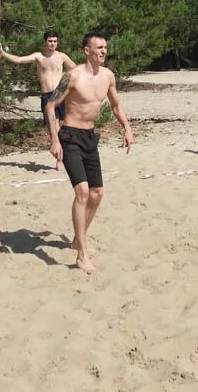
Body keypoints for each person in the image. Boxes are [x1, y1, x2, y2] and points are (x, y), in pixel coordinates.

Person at [45, 32, 134, 275]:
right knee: (82, 191)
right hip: (70, 136)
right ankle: (82, 253)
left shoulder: (108, 76)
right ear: (87, 51)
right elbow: (50, 105)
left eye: (105, 47)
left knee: (97, 193)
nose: (103, 51)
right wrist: (55, 140)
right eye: (98, 48)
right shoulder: (72, 76)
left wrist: (126, 127)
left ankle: (78, 238)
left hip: (90, 138)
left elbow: (116, 105)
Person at [0, 29, 77, 170]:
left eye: (55, 41)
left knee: (64, 130)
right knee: (53, 130)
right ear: (45, 42)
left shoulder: (62, 56)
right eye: (50, 41)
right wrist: (3, 54)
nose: (52, 44)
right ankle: (59, 160)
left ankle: (66, 157)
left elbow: (76, 69)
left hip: (61, 95)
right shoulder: (38, 56)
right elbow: (20, 60)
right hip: (48, 96)